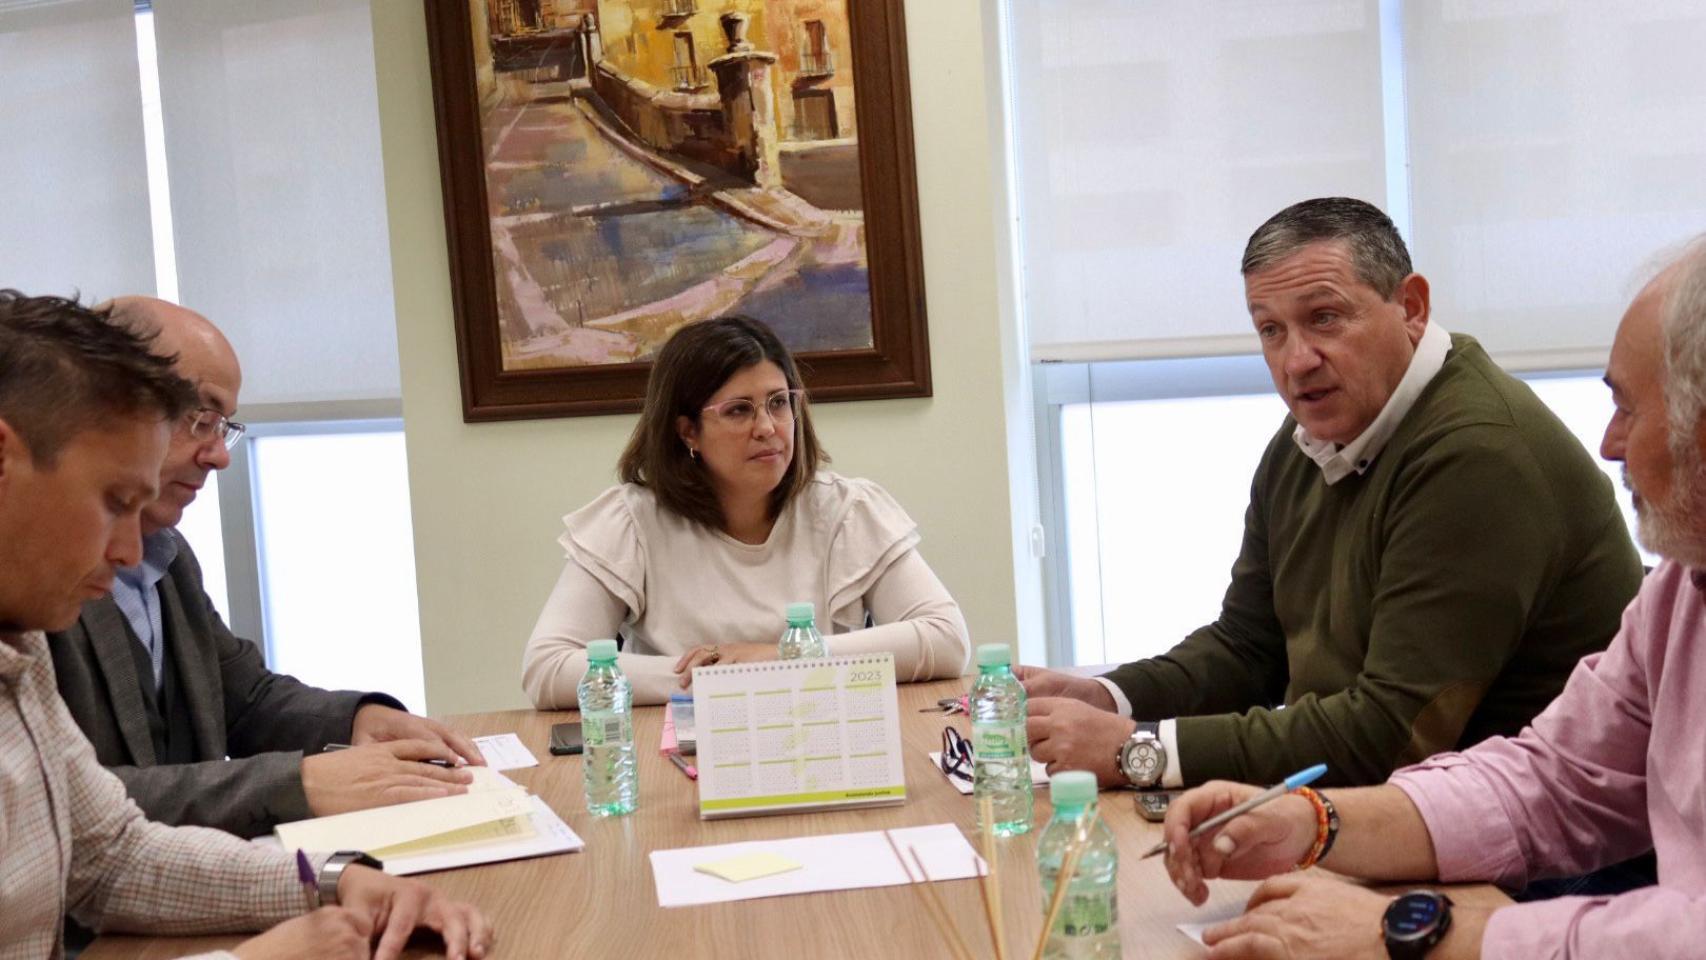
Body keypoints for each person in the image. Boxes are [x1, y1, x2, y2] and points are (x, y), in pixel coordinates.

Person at [1157, 235, 1706, 960]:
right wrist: (1315, 821)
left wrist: (1419, 931)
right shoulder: (1682, 589)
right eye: (1271, 329)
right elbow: (1552, 779)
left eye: (1630, 410)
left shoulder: (1478, 448)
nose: (1609, 444)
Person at [1021, 198, 1643, 790]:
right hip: (1396, 811)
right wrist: (1108, 698)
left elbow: (1389, 735)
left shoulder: (1478, 453)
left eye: (1325, 318)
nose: (1296, 361)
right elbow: (1249, 647)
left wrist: (1139, 749)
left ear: (1412, 307)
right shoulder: (1309, 439)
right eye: (1270, 330)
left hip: (1538, 851)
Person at [0, 290, 491, 959]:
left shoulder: (16, 647)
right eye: (114, 502)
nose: (128, 553)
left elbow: (112, 856)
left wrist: (334, 881)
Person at [523, 315, 969, 708]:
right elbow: (547, 667)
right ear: (687, 432)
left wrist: (787, 657)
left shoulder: (846, 510)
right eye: (739, 410)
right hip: (684, 745)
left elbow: (946, 639)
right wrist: (705, 677)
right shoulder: (633, 522)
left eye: (779, 403)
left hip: (822, 733)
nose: (768, 428)